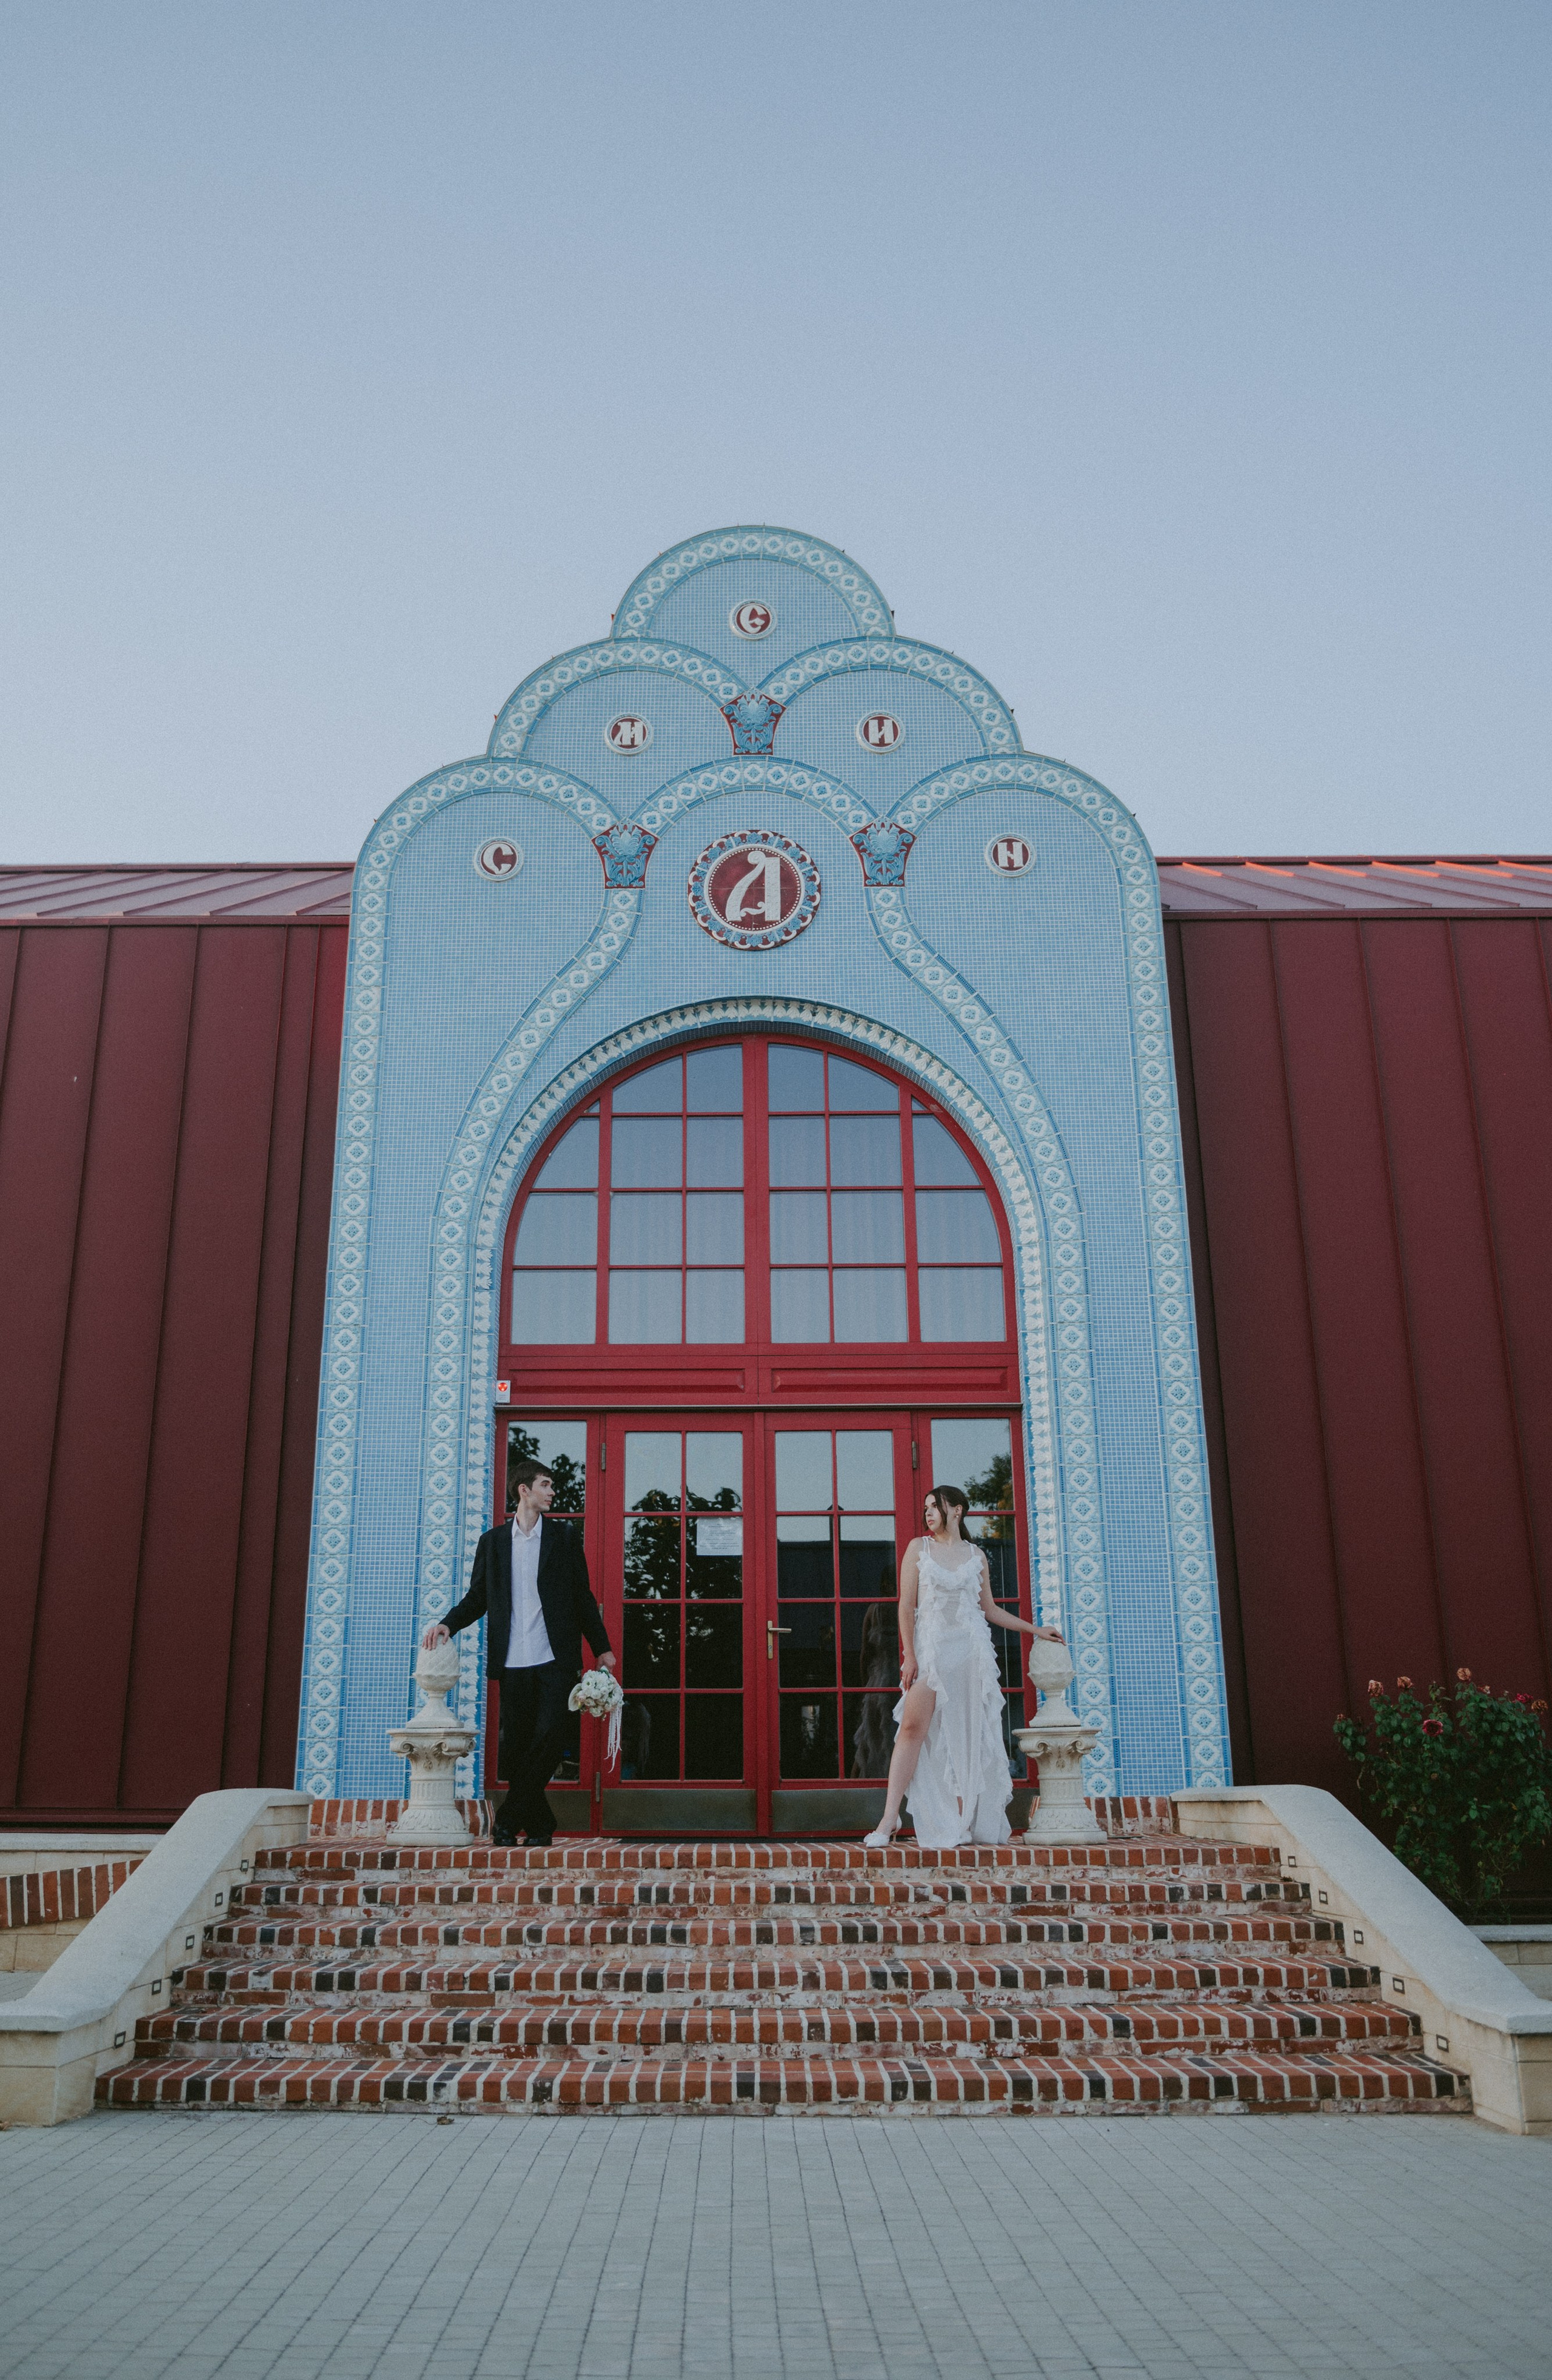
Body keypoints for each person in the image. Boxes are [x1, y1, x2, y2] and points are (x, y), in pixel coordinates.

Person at [421, 1459, 614, 1847]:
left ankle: (507, 1820)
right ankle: (540, 1825)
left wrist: (602, 1648)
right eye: (546, 1485)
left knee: (548, 1738)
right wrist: (449, 1623)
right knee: (519, 1748)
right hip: (512, 1661)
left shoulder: (563, 1537)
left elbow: (582, 1596)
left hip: (555, 1658)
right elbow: (479, 1596)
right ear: (524, 1490)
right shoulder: (493, 1543)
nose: (552, 1492)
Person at [863, 1485, 1065, 1850]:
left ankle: (961, 1822)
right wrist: (910, 1655)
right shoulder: (918, 1549)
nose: (928, 1513)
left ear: (957, 1510)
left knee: (965, 1736)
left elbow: (989, 1610)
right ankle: (889, 1820)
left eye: (935, 1507)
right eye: (925, 1507)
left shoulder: (977, 1555)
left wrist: (1035, 1630)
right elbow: (905, 1606)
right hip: (932, 1654)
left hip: (971, 1657)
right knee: (911, 1727)